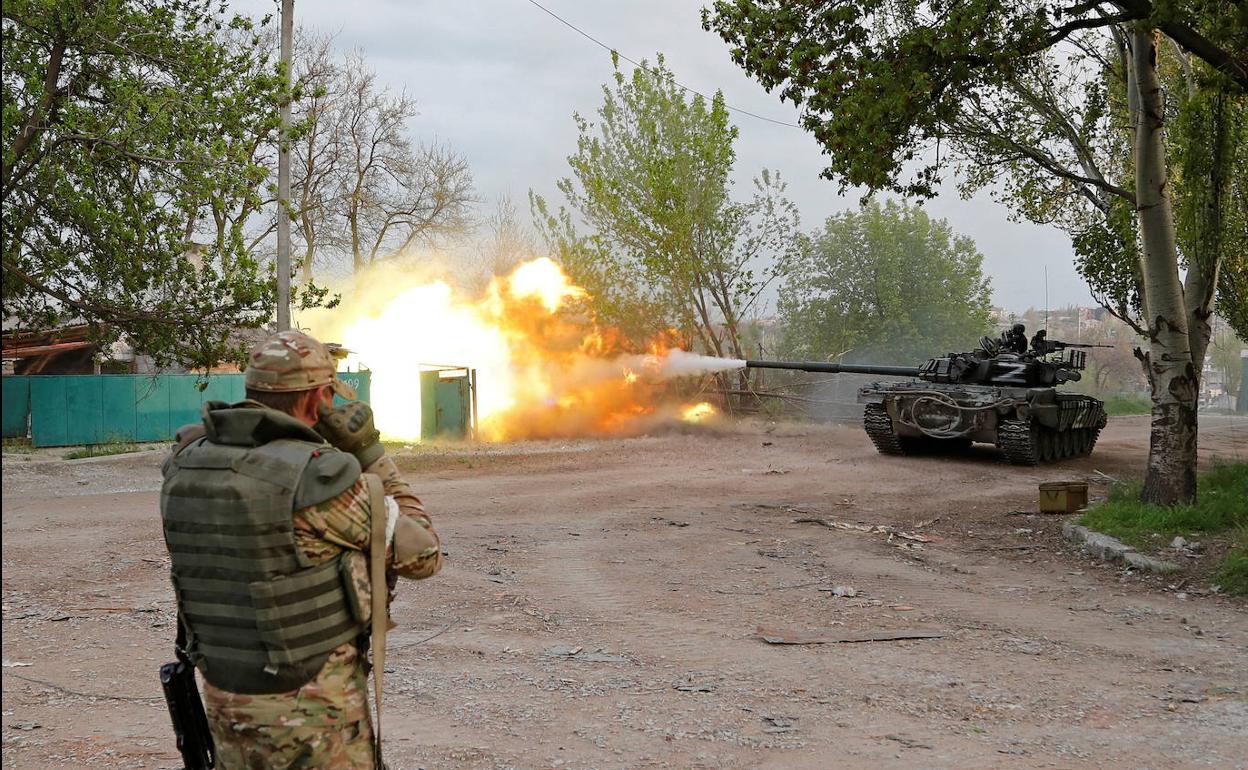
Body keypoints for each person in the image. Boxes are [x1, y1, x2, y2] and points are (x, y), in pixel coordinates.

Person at [159, 330, 442, 769]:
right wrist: (369, 452)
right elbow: (423, 555)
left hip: (224, 701)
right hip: (313, 714)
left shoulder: (187, 462)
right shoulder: (319, 482)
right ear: (318, 401)